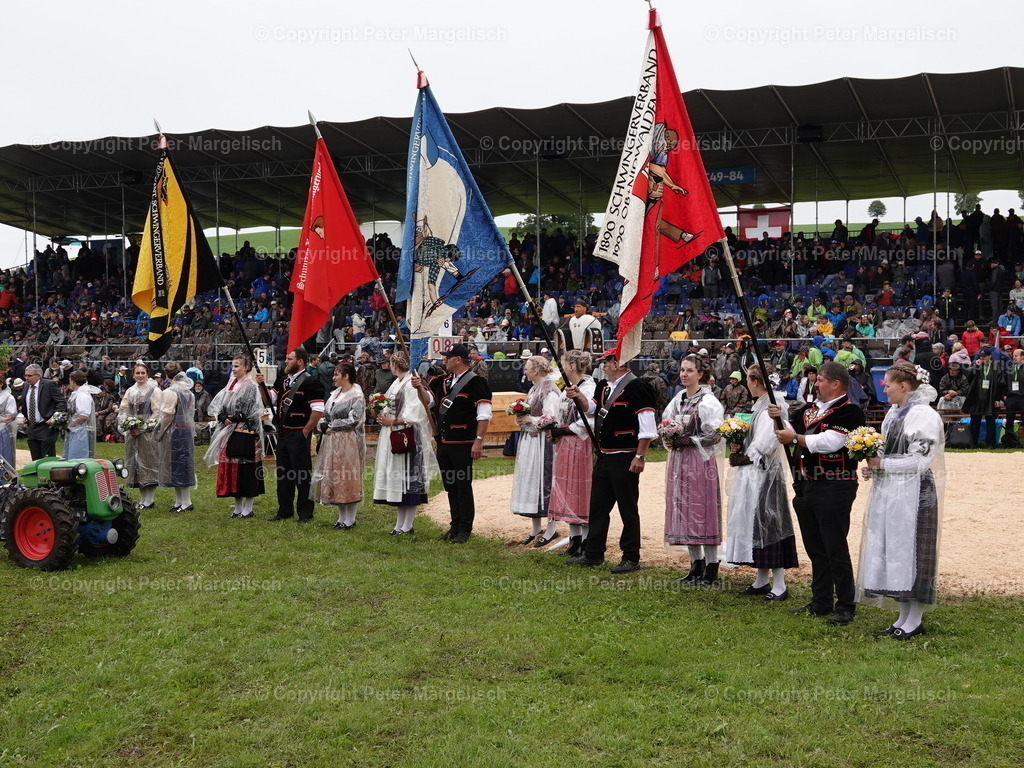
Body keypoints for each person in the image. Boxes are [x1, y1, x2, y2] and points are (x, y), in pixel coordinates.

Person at [771, 361, 866, 626]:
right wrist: (777, 418)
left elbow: (830, 443)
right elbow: (786, 433)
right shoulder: (807, 411)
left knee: (835, 545)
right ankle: (821, 600)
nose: (816, 382)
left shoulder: (850, 412)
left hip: (836, 485)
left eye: (821, 379)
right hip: (807, 484)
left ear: (836, 384)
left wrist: (795, 439)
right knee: (815, 547)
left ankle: (846, 604)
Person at [857, 362, 945, 640]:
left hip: (914, 491)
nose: (883, 386)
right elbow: (889, 450)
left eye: (888, 383)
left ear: (904, 386)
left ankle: (915, 618)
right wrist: (874, 464)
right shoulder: (894, 412)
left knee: (913, 551)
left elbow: (920, 460)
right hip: (892, 490)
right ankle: (903, 615)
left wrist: (882, 463)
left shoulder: (922, 414)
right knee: (894, 548)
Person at [565, 347, 656, 574]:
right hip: (604, 454)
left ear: (618, 363)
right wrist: (579, 396)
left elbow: (647, 426)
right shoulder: (603, 386)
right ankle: (593, 553)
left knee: (627, 508)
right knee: (597, 507)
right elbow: (593, 409)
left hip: (626, 456)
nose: (603, 366)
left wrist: (640, 456)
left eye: (606, 362)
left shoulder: (639, 387)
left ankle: (631, 556)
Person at [726, 366, 799, 600]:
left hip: (765, 474)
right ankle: (761, 579)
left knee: (770, 524)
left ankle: (779, 584)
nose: (746, 383)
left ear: (756, 381)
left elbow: (768, 442)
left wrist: (745, 457)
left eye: (748, 379)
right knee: (757, 524)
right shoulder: (760, 405)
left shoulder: (774, 407)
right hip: (754, 473)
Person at [415, 343, 492, 544]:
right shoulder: (443, 381)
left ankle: (465, 529)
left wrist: (478, 441)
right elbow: (430, 402)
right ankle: (454, 525)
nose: (444, 360)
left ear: (458, 359)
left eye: (447, 357)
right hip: (444, 441)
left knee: (463, 486)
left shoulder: (477, 383)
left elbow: (484, 415)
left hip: (464, 441)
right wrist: (419, 388)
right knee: (451, 486)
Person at [662, 354, 725, 584]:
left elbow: (715, 434)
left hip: (700, 462)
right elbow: (666, 422)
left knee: (703, 511)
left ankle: (711, 568)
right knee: (685, 510)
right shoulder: (678, 399)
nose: (684, 374)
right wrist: (668, 437)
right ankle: (695, 565)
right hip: (680, 463)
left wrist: (689, 441)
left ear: (700, 374)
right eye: (682, 370)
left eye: (689, 370)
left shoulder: (708, 401)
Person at [372, 351, 439, 535]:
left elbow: (416, 412)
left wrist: (392, 421)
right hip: (392, 433)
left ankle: (407, 524)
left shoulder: (411, 382)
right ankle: (399, 524)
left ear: (394, 365)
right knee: (398, 481)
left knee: (408, 480)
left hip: (407, 435)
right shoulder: (398, 382)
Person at [260, 347, 324, 524]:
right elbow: (268, 400)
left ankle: (305, 513)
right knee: (283, 473)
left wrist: (306, 431)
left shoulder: (311, 383)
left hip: (299, 433)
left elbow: (318, 410)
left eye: (290, 359)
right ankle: (284, 510)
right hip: (283, 433)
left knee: (302, 474)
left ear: (300, 361)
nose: (286, 361)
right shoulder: (282, 381)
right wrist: (260, 384)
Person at [547, 349, 595, 558]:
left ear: (571, 367)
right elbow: (560, 412)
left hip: (581, 444)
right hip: (565, 445)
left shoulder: (589, 387)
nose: (560, 368)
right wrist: (552, 427)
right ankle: (574, 539)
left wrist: (565, 430)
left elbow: (590, 420)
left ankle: (586, 540)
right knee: (567, 489)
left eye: (563, 364)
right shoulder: (564, 389)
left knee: (581, 490)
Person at [206, 355, 266, 519]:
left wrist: (232, 418)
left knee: (245, 468)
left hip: (244, 432)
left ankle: (248, 506)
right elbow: (219, 405)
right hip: (229, 432)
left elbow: (251, 411)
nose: (234, 369)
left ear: (246, 367)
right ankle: (238, 506)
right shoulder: (230, 385)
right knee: (232, 469)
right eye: (233, 366)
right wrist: (222, 417)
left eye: (237, 366)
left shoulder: (251, 386)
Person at [510, 355, 561, 546]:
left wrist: (529, 419)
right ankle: (535, 527)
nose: (525, 371)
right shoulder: (534, 388)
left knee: (545, 481)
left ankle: (551, 529)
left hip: (543, 443)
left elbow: (551, 418)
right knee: (532, 480)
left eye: (528, 367)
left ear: (537, 370)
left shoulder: (550, 390)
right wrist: (521, 418)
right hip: (531, 442)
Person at [312, 363, 366, 530]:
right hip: (332, 441)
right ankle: (341, 517)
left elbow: (354, 420)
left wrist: (331, 426)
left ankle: (350, 518)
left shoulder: (356, 395)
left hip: (348, 440)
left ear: (346, 376)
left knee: (348, 477)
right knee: (336, 477)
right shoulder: (335, 394)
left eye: (336, 374)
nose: (333, 377)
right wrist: (322, 424)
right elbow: (325, 415)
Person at [117, 363, 167, 509]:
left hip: (147, 433)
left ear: (147, 374)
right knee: (136, 463)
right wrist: (127, 425)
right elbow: (123, 409)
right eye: (137, 373)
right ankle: (143, 498)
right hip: (132, 433)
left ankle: (149, 499)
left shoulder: (154, 390)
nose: (140, 375)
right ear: (133, 375)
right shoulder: (130, 391)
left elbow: (158, 412)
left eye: (142, 373)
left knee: (148, 462)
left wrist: (143, 428)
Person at [159, 363, 197, 512]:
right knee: (182, 464)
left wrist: (159, 431)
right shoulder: (188, 391)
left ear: (167, 376)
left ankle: (186, 502)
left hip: (174, 431)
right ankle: (179, 501)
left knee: (176, 464)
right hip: (186, 429)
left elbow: (167, 415)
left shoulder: (170, 392)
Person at [21, 363, 67, 460]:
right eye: (25, 375)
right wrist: (26, 416)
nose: (26, 378)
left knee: (47, 459)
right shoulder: (25, 386)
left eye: (29, 375)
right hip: (32, 427)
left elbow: (61, 402)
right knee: (35, 460)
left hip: (46, 426)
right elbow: (26, 403)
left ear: (38, 376)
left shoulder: (48, 385)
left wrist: (54, 418)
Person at [63, 370, 96, 459]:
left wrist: (69, 424)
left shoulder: (82, 395)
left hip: (80, 431)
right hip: (75, 430)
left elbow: (83, 416)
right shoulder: (77, 394)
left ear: (72, 381)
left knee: (78, 456)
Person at [0, 378, 16, 469]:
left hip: (2, 430)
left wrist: (1, 419)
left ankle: (3, 478)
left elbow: (11, 416)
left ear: (1, 384)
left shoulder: (8, 397)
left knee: (3, 455)